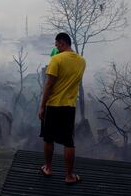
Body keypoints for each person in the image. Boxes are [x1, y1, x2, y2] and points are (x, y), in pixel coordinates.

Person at [38, 32, 86, 185]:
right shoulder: (82, 61)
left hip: (53, 105)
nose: (56, 47)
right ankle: (69, 176)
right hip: (69, 106)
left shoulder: (56, 59)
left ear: (62, 42)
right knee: (68, 141)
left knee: (48, 138)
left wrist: (41, 106)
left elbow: (49, 85)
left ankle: (48, 168)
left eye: (57, 44)